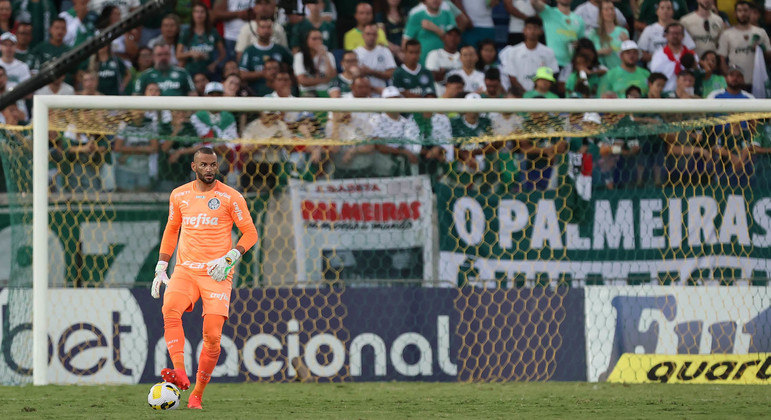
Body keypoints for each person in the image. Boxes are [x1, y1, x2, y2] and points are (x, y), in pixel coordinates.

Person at [152, 146, 258, 410]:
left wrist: (230, 258)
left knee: (212, 336)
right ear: (194, 166)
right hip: (185, 269)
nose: (209, 169)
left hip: (217, 272)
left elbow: (250, 234)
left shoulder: (231, 197)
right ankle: (179, 371)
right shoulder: (179, 195)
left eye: (213, 165)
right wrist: (162, 264)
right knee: (169, 308)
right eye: (204, 165)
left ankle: (196, 395)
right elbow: (172, 228)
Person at [717, 1, 771, 89]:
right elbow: (722, 60)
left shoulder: (760, 32)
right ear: (735, 14)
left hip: (757, 82)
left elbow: (769, 57)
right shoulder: (727, 34)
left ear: (750, 12)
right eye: (740, 11)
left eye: (745, 10)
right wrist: (729, 78)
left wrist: (762, 49)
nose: (743, 13)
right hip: (735, 84)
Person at [499, 16, 558, 94]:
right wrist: (526, 94)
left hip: (541, 96)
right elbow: (512, 77)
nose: (532, 31)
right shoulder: (513, 51)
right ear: (524, 30)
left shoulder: (548, 52)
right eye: (529, 28)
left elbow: (552, 74)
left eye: (535, 28)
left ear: (541, 31)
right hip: (520, 96)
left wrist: (536, 94)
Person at [239, 16, 293, 95]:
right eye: (263, 27)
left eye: (268, 27)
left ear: (272, 30)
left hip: (278, 92)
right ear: (257, 30)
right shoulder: (249, 50)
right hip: (255, 91)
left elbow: (292, 68)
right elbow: (242, 74)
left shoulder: (280, 49)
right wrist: (262, 73)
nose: (266, 30)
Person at [530, 0, 585, 71]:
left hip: (570, 66)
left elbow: (581, 44)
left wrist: (575, 45)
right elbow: (534, 2)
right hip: (551, 63)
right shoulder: (548, 12)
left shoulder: (579, 20)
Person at [177, 2, 227, 80]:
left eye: (202, 12)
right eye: (196, 12)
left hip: (209, 70)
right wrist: (191, 53)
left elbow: (223, 53)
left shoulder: (213, 31)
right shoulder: (187, 32)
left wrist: (214, 64)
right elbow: (178, 54)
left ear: (206, 14)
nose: (199, 15)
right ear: (193, 14)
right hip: (192, 70)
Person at [402, 0, 456, 65]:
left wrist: (435, 29)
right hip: (422, 65)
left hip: (445, 64)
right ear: (424, 1)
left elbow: (454, 41)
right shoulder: (416, 17)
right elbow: (405, 43)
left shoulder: (448, 15)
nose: (435, 0)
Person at [649, 23, 698, 92]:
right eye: (672, 33)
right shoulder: (659, 55)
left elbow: (697, 74)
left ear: (683, 36)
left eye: (678, 33)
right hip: (665, 93)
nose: (675, 36)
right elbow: (655, 76)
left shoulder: (691, 54)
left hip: (686, 94)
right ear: (666, 35)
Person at [354, 22, 397, 95]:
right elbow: (351, 74)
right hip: (362, 95)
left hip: (380, 94)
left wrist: (371, 72)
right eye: (368, 34)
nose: (371, 37)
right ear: (363, 35)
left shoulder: (385, 51)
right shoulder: (355, 52)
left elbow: (391, 74)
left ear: (377, 36)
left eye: (374, 34)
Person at [293, 29, 337, 97]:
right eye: (314, 39)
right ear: (307, 40)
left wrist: (325, 57)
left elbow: (332, 77)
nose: (318, 41)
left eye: (320, 39)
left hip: (325, 91)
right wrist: (324, 79)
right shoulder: (299, 56)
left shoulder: (329, 55)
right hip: (307, 92)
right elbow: (302, 81)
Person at [587, 0, 629, 70]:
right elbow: (587, 54)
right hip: (601, 73)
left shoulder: (623, 32)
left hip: (620, 72)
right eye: (606, 10)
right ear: (601, 13)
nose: (610, 12)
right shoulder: (593, 34)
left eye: (612, 9)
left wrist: (627, 44)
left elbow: (630, 55)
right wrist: (600, 52)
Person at [424, 27, 462, 97]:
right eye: (450, 35)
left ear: (460, 39)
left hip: (458, 96)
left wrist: (443, 74)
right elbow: (430, 76)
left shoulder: (463, 56)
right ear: (444, 37)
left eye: (456, 35)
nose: (453, 38)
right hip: (438, 94)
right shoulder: (434, 54)